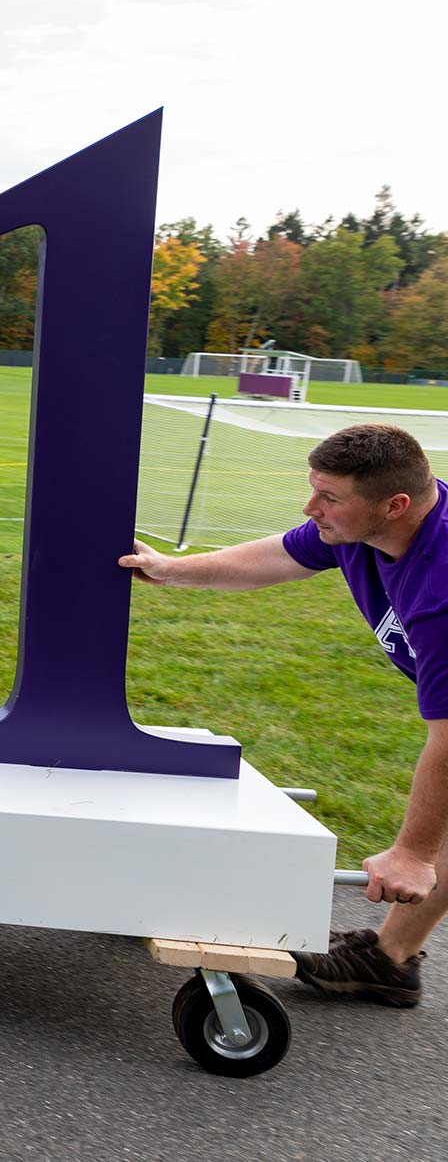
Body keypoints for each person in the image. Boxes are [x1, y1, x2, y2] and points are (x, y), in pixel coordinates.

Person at [122, 424, 448, 1008]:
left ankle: (388, 959)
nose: (310, 507)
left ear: (395, 505)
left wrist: (414, 854)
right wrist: (176, 570)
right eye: (313, 489)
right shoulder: (358, 529)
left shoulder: (441, 587)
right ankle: (387, 961)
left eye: (329, 498)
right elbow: (278, 555)